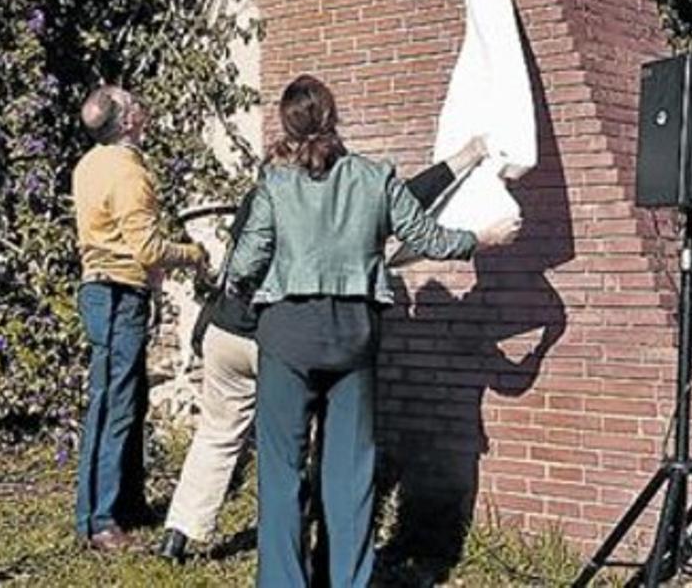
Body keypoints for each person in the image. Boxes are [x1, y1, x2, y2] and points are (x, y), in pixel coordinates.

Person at [227, 75, 520, 588]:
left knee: (281, 472)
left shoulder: (274, 183)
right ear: (333, 117)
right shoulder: (374, 177)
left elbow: (245, 262)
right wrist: (484, 237)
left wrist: (240, 290)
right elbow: (429, 237)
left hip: (288, 335)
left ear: (286, 123)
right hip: (354, 336)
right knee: (350, 478)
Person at [157, 135, 491, 565]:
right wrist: (458, 164)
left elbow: (236, 270)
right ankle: (321, 534)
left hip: (223, 332)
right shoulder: (302, 203)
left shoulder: (258, 199)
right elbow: (403, 200)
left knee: (218, 434)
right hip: (270, 338)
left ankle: (179, 534)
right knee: (317, 439)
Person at [72, 85, 207, 551]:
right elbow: (147, 248)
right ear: (128, 121)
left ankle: (127, 503)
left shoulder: (89, 164)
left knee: (127, 401)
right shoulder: (129, 173)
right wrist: (196, 253)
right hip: (116, 296)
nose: (145, 107)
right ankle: (99, 521)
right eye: (137, 102)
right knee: (113, 406)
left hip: (104, 291)